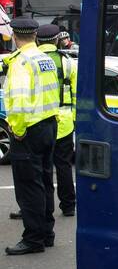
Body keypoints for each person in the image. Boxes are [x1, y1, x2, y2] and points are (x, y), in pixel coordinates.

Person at [4, 16, 60, 255]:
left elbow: (18, 101)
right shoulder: (44, 58)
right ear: (35, 35)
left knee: (29, 186)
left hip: (28, 130)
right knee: (46, 181)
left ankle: (33, 238)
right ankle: (46, 233)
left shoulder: (21, 62)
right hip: (49, 125)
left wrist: (17, 130)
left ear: (15, 37)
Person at [37, 24, 77, 215]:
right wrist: (75, 117)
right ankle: (68, 205)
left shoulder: (32, 61)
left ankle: (42, 206)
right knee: (64, 165)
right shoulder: (68, 61)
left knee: (39, 167)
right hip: (65, 120)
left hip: (39, 120)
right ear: (56, 40)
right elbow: (76, 93)